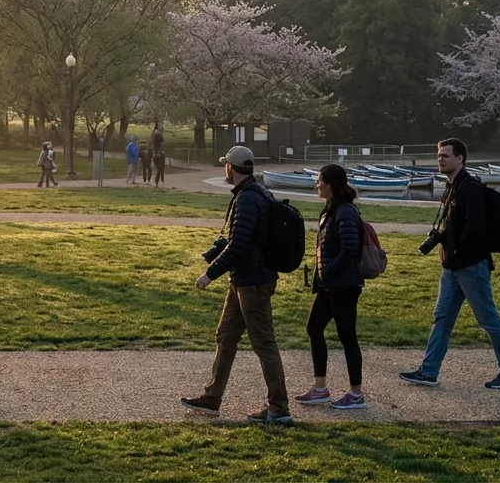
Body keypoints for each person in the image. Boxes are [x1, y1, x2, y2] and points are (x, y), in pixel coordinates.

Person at [400, 138, 500, 390]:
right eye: (439, 155)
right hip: (452, 268)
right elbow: (455, 227)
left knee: (488, 319)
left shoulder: (469, 188)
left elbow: (475, 228)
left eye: (445, 155)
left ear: (460, 159)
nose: (440, 159)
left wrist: (456, 252)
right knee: (442, 318)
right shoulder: (452, 186)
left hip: (471, 266)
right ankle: (428, 371)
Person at [181, 145, 290, 424]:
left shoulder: (247, 199)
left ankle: (278, 408)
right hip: (244, 280)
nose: (224, 170)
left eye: (225, 166)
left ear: (231, 168)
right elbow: (236, 238)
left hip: (253, 282)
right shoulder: (255, 193)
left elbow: (239, 245)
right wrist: (212, 253)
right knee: (226, 335)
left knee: (264, 343)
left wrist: (210, 273)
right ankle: (212, 398)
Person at [296, 164, 366, 410]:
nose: (316, 185)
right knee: (314, 328)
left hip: (344, 284)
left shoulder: (345, 211)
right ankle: (320, 388)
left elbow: (349, 250)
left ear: (330, 184)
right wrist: (323, 277)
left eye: (319, 180)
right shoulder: (330, 209)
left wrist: (328, 271)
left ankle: (356, 394)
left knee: (347, 337)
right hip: (330, 284)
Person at [153, 123, 167, 187]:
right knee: (160, 169)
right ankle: (158, 181)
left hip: (158, 155)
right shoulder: (159, 138)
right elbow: (160, 146)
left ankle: (158, 181)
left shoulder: (155, 138)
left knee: (158, 169)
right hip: (159, 155)